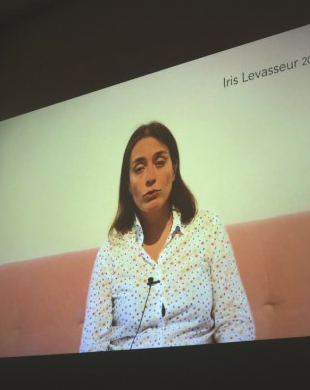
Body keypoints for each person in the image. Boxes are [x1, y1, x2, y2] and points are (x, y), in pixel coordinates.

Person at [79, 121, 255, 351]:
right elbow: (93, 342)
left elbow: (234, 321)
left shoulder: (208, 228)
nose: (150, 177)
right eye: (139, 168)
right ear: (128, 185)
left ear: (174, 170)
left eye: (160, 163)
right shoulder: (111, 251)